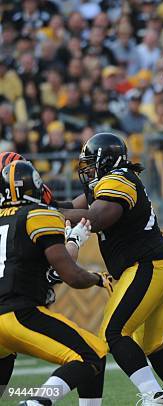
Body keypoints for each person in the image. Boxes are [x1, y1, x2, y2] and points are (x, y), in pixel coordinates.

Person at [61, 133, 163, 405]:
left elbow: (97, 218)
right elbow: (72, 206)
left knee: (113, 334)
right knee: (151, 342)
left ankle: (153, 395)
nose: (86, 169)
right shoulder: (111, 181)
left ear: (105, 161)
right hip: (161, 266)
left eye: (90, 163)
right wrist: (38, 207)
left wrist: (49, 216)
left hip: (148, 266)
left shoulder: (118, 180)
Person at [0, 161, 109, 406]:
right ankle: (37, 402)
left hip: (6, 316)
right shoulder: (38, 216)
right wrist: (97, 278)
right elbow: (70, 275)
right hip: (18, 313)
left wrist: (72, 243)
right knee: (92, 355)